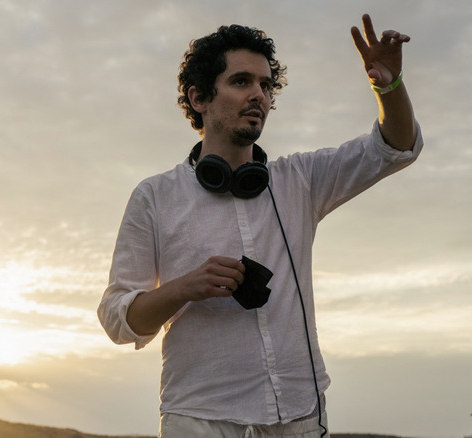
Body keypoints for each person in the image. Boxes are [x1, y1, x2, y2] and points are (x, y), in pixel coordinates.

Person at [97, 14, 423, 438]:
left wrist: (389, 87)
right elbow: (118, 320)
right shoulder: (154, 197)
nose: (259, 95)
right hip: (200, 418)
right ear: (199, 98)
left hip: (299, 413)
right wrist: (185, 286)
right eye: (241, 82)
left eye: (266, 86)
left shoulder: (301, 180)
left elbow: (394, 147)